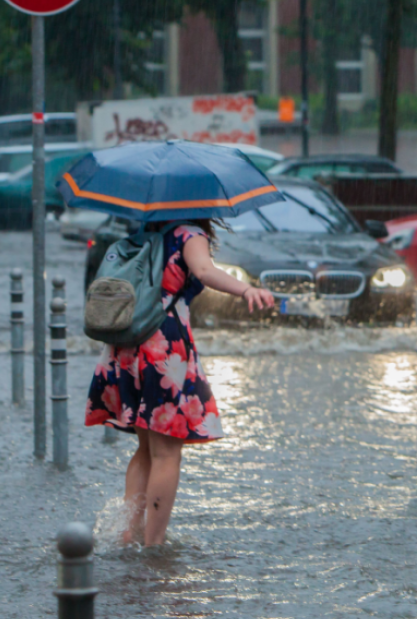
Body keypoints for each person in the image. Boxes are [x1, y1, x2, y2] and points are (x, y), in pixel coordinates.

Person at [85, 220, 275, 546]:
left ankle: (127, 536)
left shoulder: (144, 231)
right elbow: (203, 271)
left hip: (130, 342)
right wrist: (246, 289)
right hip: (164, 345)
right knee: (166, 454)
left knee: (145, 449)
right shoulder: (188, 233)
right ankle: (154, 546)